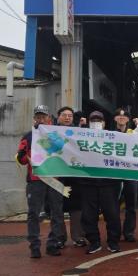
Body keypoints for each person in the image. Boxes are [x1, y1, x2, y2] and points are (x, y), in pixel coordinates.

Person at [16, 105, 65, 258]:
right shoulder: (28, 136)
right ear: (34, 119)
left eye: (44, 117)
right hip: (35, 180)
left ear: (49, 118)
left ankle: (53, 244)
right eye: (38, 117)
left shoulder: (58, 135)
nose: (41, 119)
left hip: (54, 180)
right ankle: (34, 246)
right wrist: (23, 155)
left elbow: (66, 153)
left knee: (57, 213)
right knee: (34, 214)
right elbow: (21, 160)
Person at [80, 111, 122, 254]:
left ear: (104, 123)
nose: (96, 123)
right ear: (88, 123)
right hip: (88, 183)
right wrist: (79, 127)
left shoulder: (113, 136)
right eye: (93, 121)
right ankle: (94, 242)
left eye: (99, 120)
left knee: (112, 214)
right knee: (88, 215)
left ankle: (113, 242)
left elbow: (128, 142)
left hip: (109, 184)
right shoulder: (81, 136)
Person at [55, 106, 86, 247]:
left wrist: (84, 127)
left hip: (75, 174)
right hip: (57, 175)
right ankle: (59, 237)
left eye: (70, 115)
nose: (67, 117)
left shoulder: (78, 132)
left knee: (76, 207)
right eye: (64, 115)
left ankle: (77, 236)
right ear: (58, 117)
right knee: (56, 207)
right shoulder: (50, 131)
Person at [113, 108, 137, 242]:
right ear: (114, 118)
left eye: (124, 116)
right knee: (113, 205)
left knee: (131, 205)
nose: (121, 117)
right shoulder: (109, 134)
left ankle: (129, 232)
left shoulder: (134, 133)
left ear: (128, 119)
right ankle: (115, 232)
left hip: (131, 173)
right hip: (115, 174)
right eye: (118, 115)